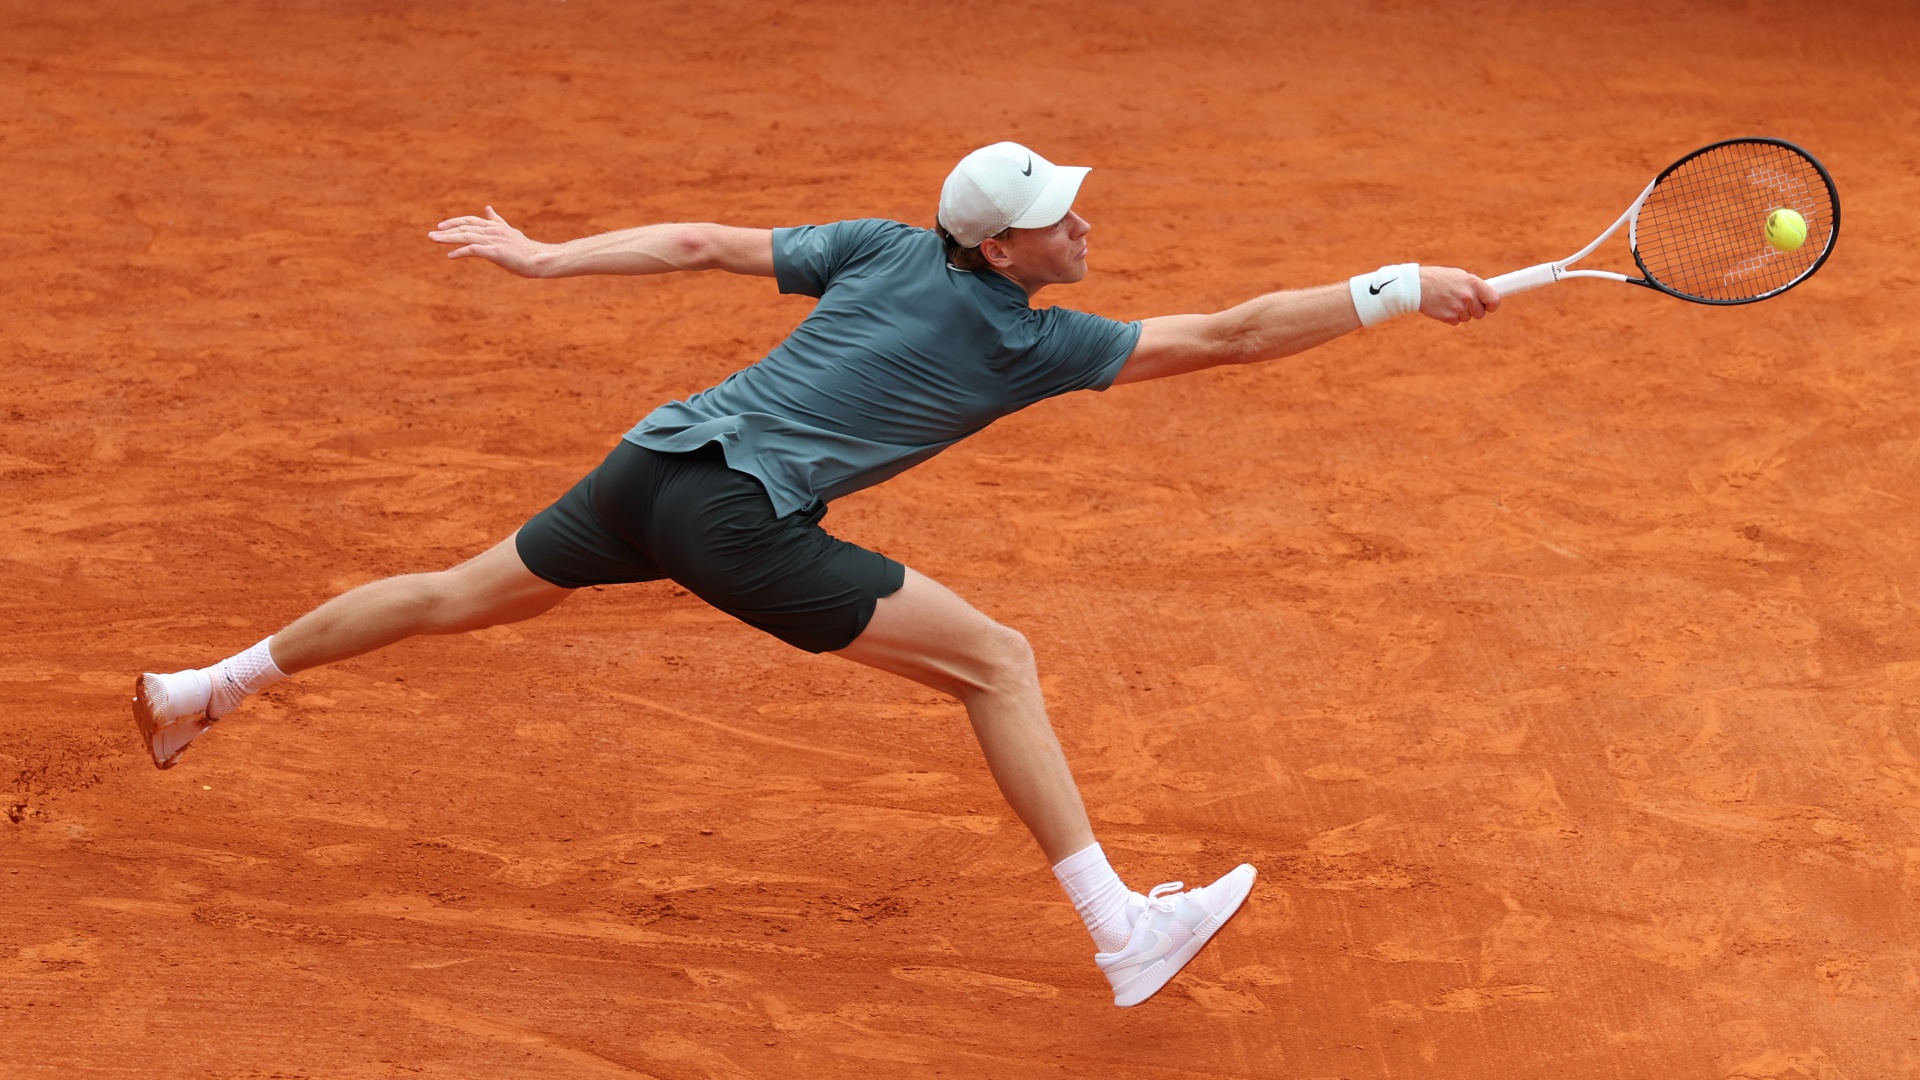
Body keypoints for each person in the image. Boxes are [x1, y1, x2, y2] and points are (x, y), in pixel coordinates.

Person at [132, 141, 1500, 1007]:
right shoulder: (1033, 342)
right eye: (1058, 218)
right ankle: (1120, 929)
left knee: (452, 592)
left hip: (649, 466)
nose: (1083, 224)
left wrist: (545, 258)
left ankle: (206, 685)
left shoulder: (882, 245)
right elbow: (1240, 334)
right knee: (997, 662)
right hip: (735, 521)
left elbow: (696, 246)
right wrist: (1395, 286)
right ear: (1001, 249)